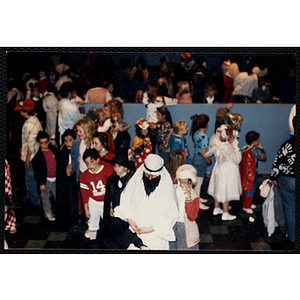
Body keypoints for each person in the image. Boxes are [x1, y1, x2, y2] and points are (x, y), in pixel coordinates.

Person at [114, 154, 179, 250]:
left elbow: (170, 215)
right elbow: (126, 202)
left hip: (156, 235)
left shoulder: (166, 189)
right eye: (147, 174)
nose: (149, 178)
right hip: (135, 234)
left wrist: (148, 229)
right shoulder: (136, 183)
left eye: (153, 176)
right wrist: (131, 221)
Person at [101, 153, 149, 250]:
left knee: (127, 237)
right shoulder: (111, 179)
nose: (116, 168)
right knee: (115, 238)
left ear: (126, 168)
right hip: (115, 214)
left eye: (119, 166)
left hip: (127, 215)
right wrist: (110, 206)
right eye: (114, 166)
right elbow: (109, 196)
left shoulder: (132, 180)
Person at [205, 124, 242, 221]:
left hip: (219, 168)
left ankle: (216, 208)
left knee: (218, 188)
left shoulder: (217, 143)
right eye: (233, 137)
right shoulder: (230, 147)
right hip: (228, 171)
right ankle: (225, 213)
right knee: (226, 191)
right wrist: (237, 149)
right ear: (229, 137)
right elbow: (237, 160)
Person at [269, 116, 296, 244]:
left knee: (290, 209)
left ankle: (292, 237)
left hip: (287, 180)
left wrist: (273, 177)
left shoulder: (288, 144)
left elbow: (277, 161)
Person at [15, 98, 43, 208]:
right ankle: (34, 199)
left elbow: (31, 146)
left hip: (31, 157)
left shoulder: (28, 125)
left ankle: (34, 202)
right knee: (32, 179)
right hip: (35, 154)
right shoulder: (35, 120)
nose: (20, 112)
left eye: (21, 111)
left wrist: (27, 160)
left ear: (26, 112)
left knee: (30, 180)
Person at [80, 148, 111, 243]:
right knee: (93, 223)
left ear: (98, 160)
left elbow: (112, 189)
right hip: (93, 202)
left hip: (106, 201)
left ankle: (109, 243)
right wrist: (86, 207)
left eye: (92, 162)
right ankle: (92, 243)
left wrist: (111, 204)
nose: (90, 166)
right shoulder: (84, 175)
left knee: (109, 223)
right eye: (87, 163)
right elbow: (84, 193)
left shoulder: (108, 170)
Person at [169, 164, 200, 250]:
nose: (186, 185)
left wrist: (188, 199)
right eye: (183, 182)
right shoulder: (173, 190)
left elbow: (192, 216)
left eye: (189, 182)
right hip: (172, 226)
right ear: (178, 180)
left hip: (185, 228)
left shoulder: (194, 196)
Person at [32, 131, 57, 221]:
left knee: (57, 195)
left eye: (46, 142)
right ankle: (47, 211)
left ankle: (59, 211)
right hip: (46, 180)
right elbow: (37, 172)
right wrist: (41, 183)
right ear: (38, 143)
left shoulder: (53, 151)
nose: (44, 145)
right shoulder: (38, 157)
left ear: (49, 141)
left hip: (55, 178)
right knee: (45, 197)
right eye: (42, 143)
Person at [239, 131, 267, 214]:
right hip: (250, 174)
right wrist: (261, 148)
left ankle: (248, 203)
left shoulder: (246, 149)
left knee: (251, 188)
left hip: (250, 172)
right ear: (254, 142)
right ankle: (246, 206)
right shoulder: (253, 151)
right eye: (258, 140)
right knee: (249, 189)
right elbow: (264, 158)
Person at [56, 129, 78, 230]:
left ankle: (74, 220)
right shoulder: (63, 151)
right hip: (64, 180)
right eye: (66, 141)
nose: (68, 143)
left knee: (73, 200)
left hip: (72, 179)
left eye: (70, 140)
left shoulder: (76, 149)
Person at [191, 114, 210, 210]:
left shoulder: (196, 133)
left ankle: (197, 198)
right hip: (201, 159)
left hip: (196, 157)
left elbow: (195, 145)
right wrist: (208, 160)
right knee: (199, 183)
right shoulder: (204, 136)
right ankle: (197, 203)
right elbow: (204, 153)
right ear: (207, 124)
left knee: (197, 182)